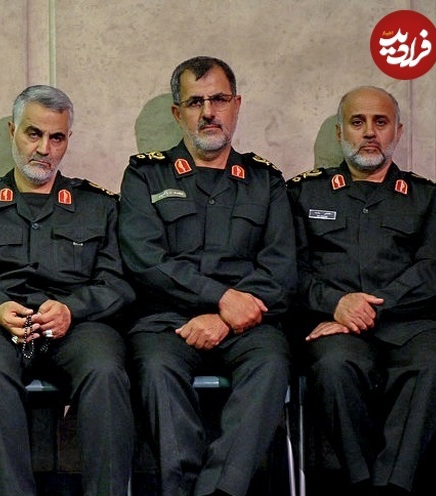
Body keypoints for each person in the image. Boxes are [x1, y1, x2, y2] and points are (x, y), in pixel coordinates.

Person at [117, 56, 296, 496]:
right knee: (156, 369)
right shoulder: (145, 175)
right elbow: (145, 259)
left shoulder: (266, 181)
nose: (209, 112)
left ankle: (219, 490)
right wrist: (221, 298)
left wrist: (226, 316)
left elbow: (280, 269)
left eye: (218, 99)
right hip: (167, 321)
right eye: (195, 102)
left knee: (272, 363)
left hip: (249, 323)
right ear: (177, 112)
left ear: (237, 105)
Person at [0, 85, 135, 496]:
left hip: (79, 325)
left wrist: (72, 309)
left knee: (106, 371)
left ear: (68, 140)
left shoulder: (99, 206)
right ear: (13, 132)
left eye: (57, 137)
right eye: (33, 134)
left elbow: (118, 284)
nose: (44, 149)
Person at [287, 86, 436, 495]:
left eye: (381, 122)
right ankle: (364, 484)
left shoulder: (428, 198)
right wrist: (336, 304)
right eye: (357, 122)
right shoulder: (303, 193)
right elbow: (291, 271)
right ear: (340, 131)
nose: (370, 132)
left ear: (398, 131)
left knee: (431, 364)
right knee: (334, 367)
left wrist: (371, 309)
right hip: (333, 325)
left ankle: (391, 486)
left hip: (409, 324)